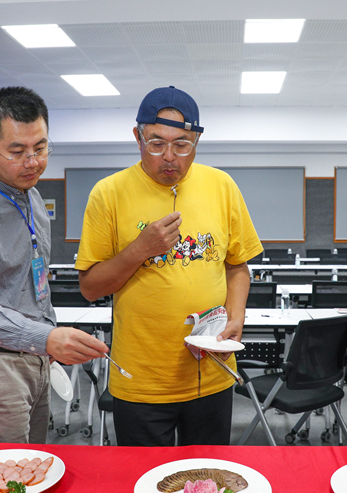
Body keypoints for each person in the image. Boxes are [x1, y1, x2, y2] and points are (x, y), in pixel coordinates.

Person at [76, 86, 263, 446]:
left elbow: (237, 266)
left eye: (182, 145)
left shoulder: (222, 186)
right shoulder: (108, 193)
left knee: (209, 486)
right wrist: (140, 249)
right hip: (141, 379)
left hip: (212, 371)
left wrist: (237, 315)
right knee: (143, 487)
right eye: (156, 143)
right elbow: (90, 287)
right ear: (137, 137)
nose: (169, 158)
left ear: (196, 141)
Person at [0, 87, 109, 443]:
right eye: (17, 151)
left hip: (34, 356)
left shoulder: (32, 196)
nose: (33, 162)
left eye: (40, 147)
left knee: (33, 470)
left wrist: (46, 342)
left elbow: (30, 284)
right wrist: (44, 337)